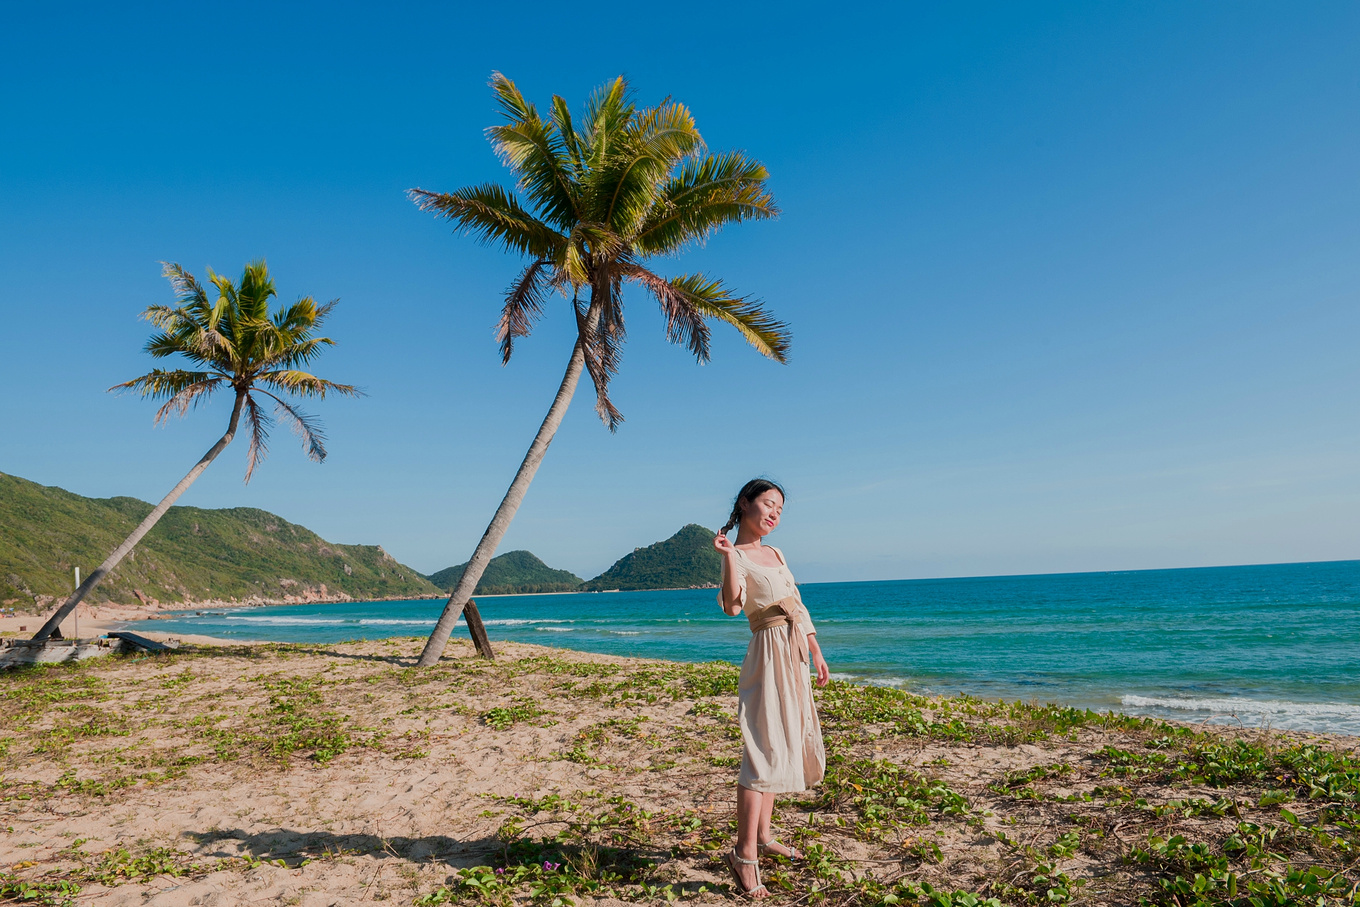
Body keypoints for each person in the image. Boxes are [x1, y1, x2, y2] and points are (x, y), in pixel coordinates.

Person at [713, 479, 829, 899]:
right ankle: (744, 854)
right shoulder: (738, 555)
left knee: (783, 742)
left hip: (794, 651)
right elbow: (732, 606)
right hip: (767, 652)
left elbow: (796, 601)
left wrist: (815, 650)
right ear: (745, 504)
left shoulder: (776, 553)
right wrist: (728, 558)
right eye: (768, 504)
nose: (775, 513)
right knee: (763, 750)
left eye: (780, 507)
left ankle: (763, 835)